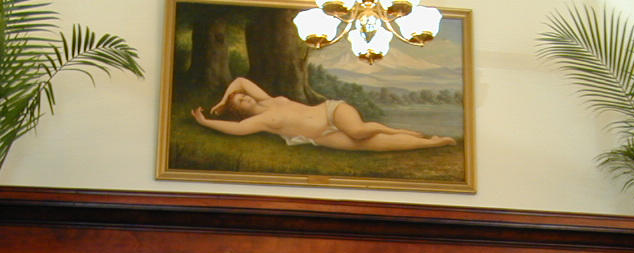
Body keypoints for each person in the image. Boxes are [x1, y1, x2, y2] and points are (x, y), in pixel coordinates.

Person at [191, 76, 455, 151]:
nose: (246, 96)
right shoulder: (259, 122)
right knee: (375, 146)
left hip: (333, 112)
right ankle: (430, 143)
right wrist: (206, 122)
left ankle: (398, 129)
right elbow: (236, 129)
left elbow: (240, 80)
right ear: (240, 110)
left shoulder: (269, 100)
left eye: (244, 95)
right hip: (322, 135)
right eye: (241, 101)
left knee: (358, 131)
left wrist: (223, 100)